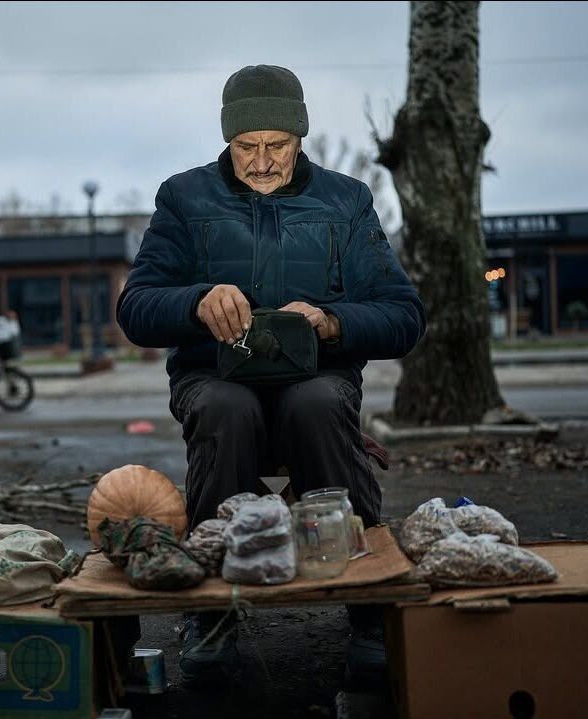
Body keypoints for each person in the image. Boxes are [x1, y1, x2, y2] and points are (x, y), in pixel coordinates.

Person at [116, 65, 426, 688]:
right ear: (227, 140)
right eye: (246, 146)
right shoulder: (184, 197)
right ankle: (213, 615)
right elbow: (136, 307)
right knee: (226, 409)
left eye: (277, 146)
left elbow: (404, 315)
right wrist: (195, 301)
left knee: (314, 404)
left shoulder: (346, 201)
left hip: (317, 383)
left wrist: (332, 321)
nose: (261, 161)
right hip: (214, 379)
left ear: (301, 137)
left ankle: (367, 610)